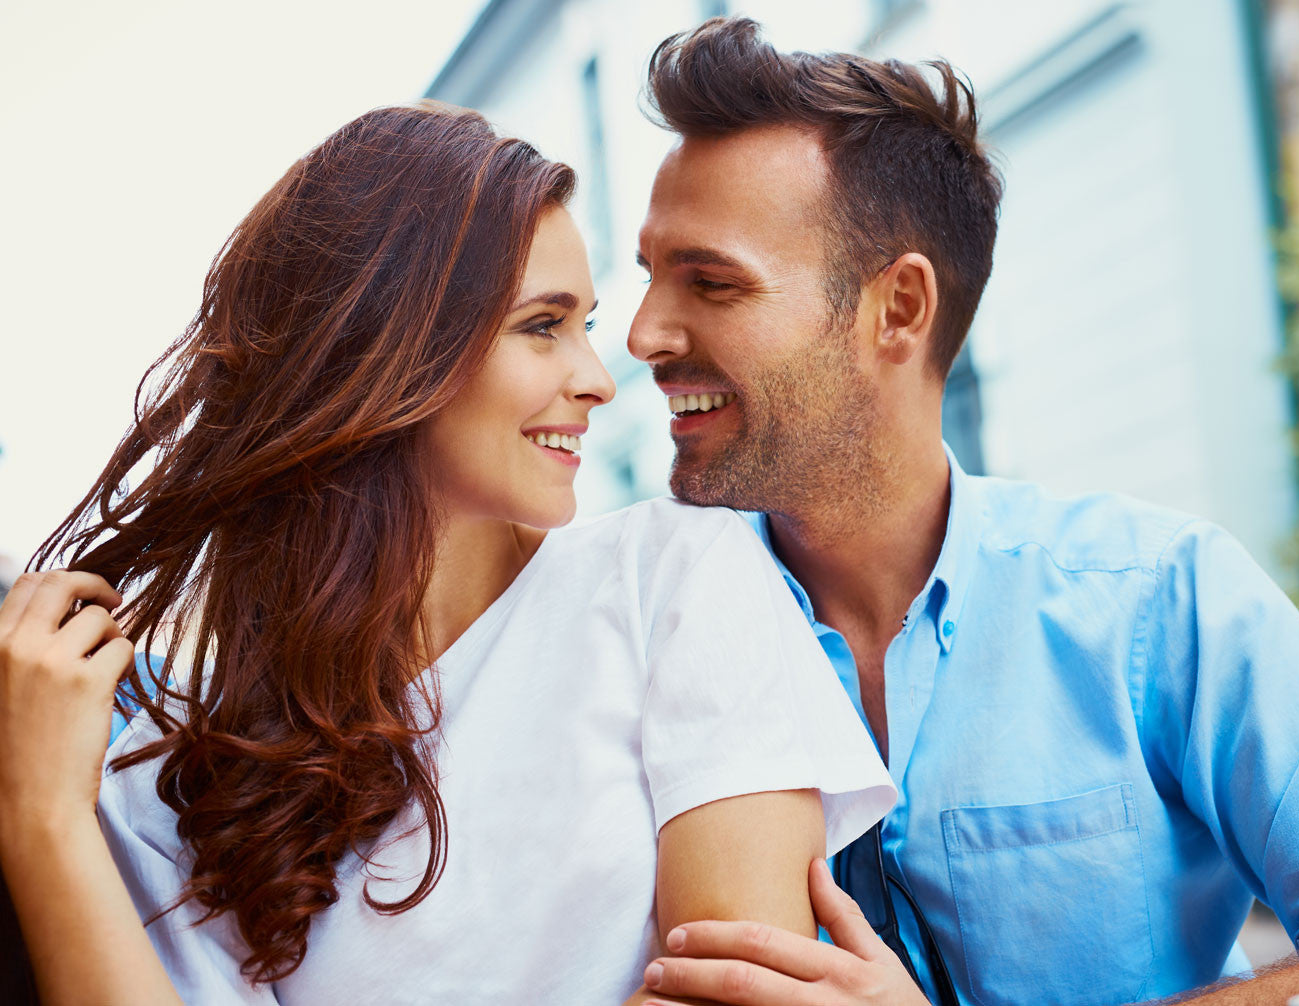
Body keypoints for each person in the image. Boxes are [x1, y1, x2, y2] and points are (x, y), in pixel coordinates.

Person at [624, 18, 1299, 1006]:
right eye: (647, 275)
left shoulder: (1158, 598)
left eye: (712, 282)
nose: (643, 334)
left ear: (896, 308)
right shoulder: (641, 633)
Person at [0, 102, 895, 1004]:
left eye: (583, 324)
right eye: (542, 326)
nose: (593, 378)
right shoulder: (176, 771)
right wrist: (41, 820)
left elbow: (742, 992)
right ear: (388, 351)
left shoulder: (670, 579)